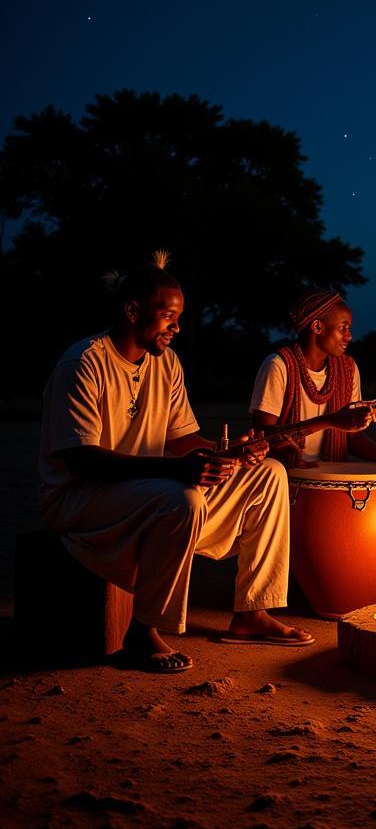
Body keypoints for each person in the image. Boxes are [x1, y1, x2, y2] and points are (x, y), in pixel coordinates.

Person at [39, 252, 314, 675]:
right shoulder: (84, 363)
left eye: (179, 317)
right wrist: (177, 470)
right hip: (81, 501)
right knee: (181, 498)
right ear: (132, 311)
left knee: (268, 474)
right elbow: (81, 459)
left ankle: (252, 613)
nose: (177, 327)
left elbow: (182, 438)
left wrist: (230, 453)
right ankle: (142, 633)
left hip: (143, 492)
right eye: (168, 316)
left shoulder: (166, 363)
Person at [249, 289, 376, 469]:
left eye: (349, 328)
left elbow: (352, 436)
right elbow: (263, 436)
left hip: (332, 475)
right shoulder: (279, 365)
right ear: (318, 327)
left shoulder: (348, 368)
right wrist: (331, 420)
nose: (349, 336)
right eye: (343, 327)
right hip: (285, 476)